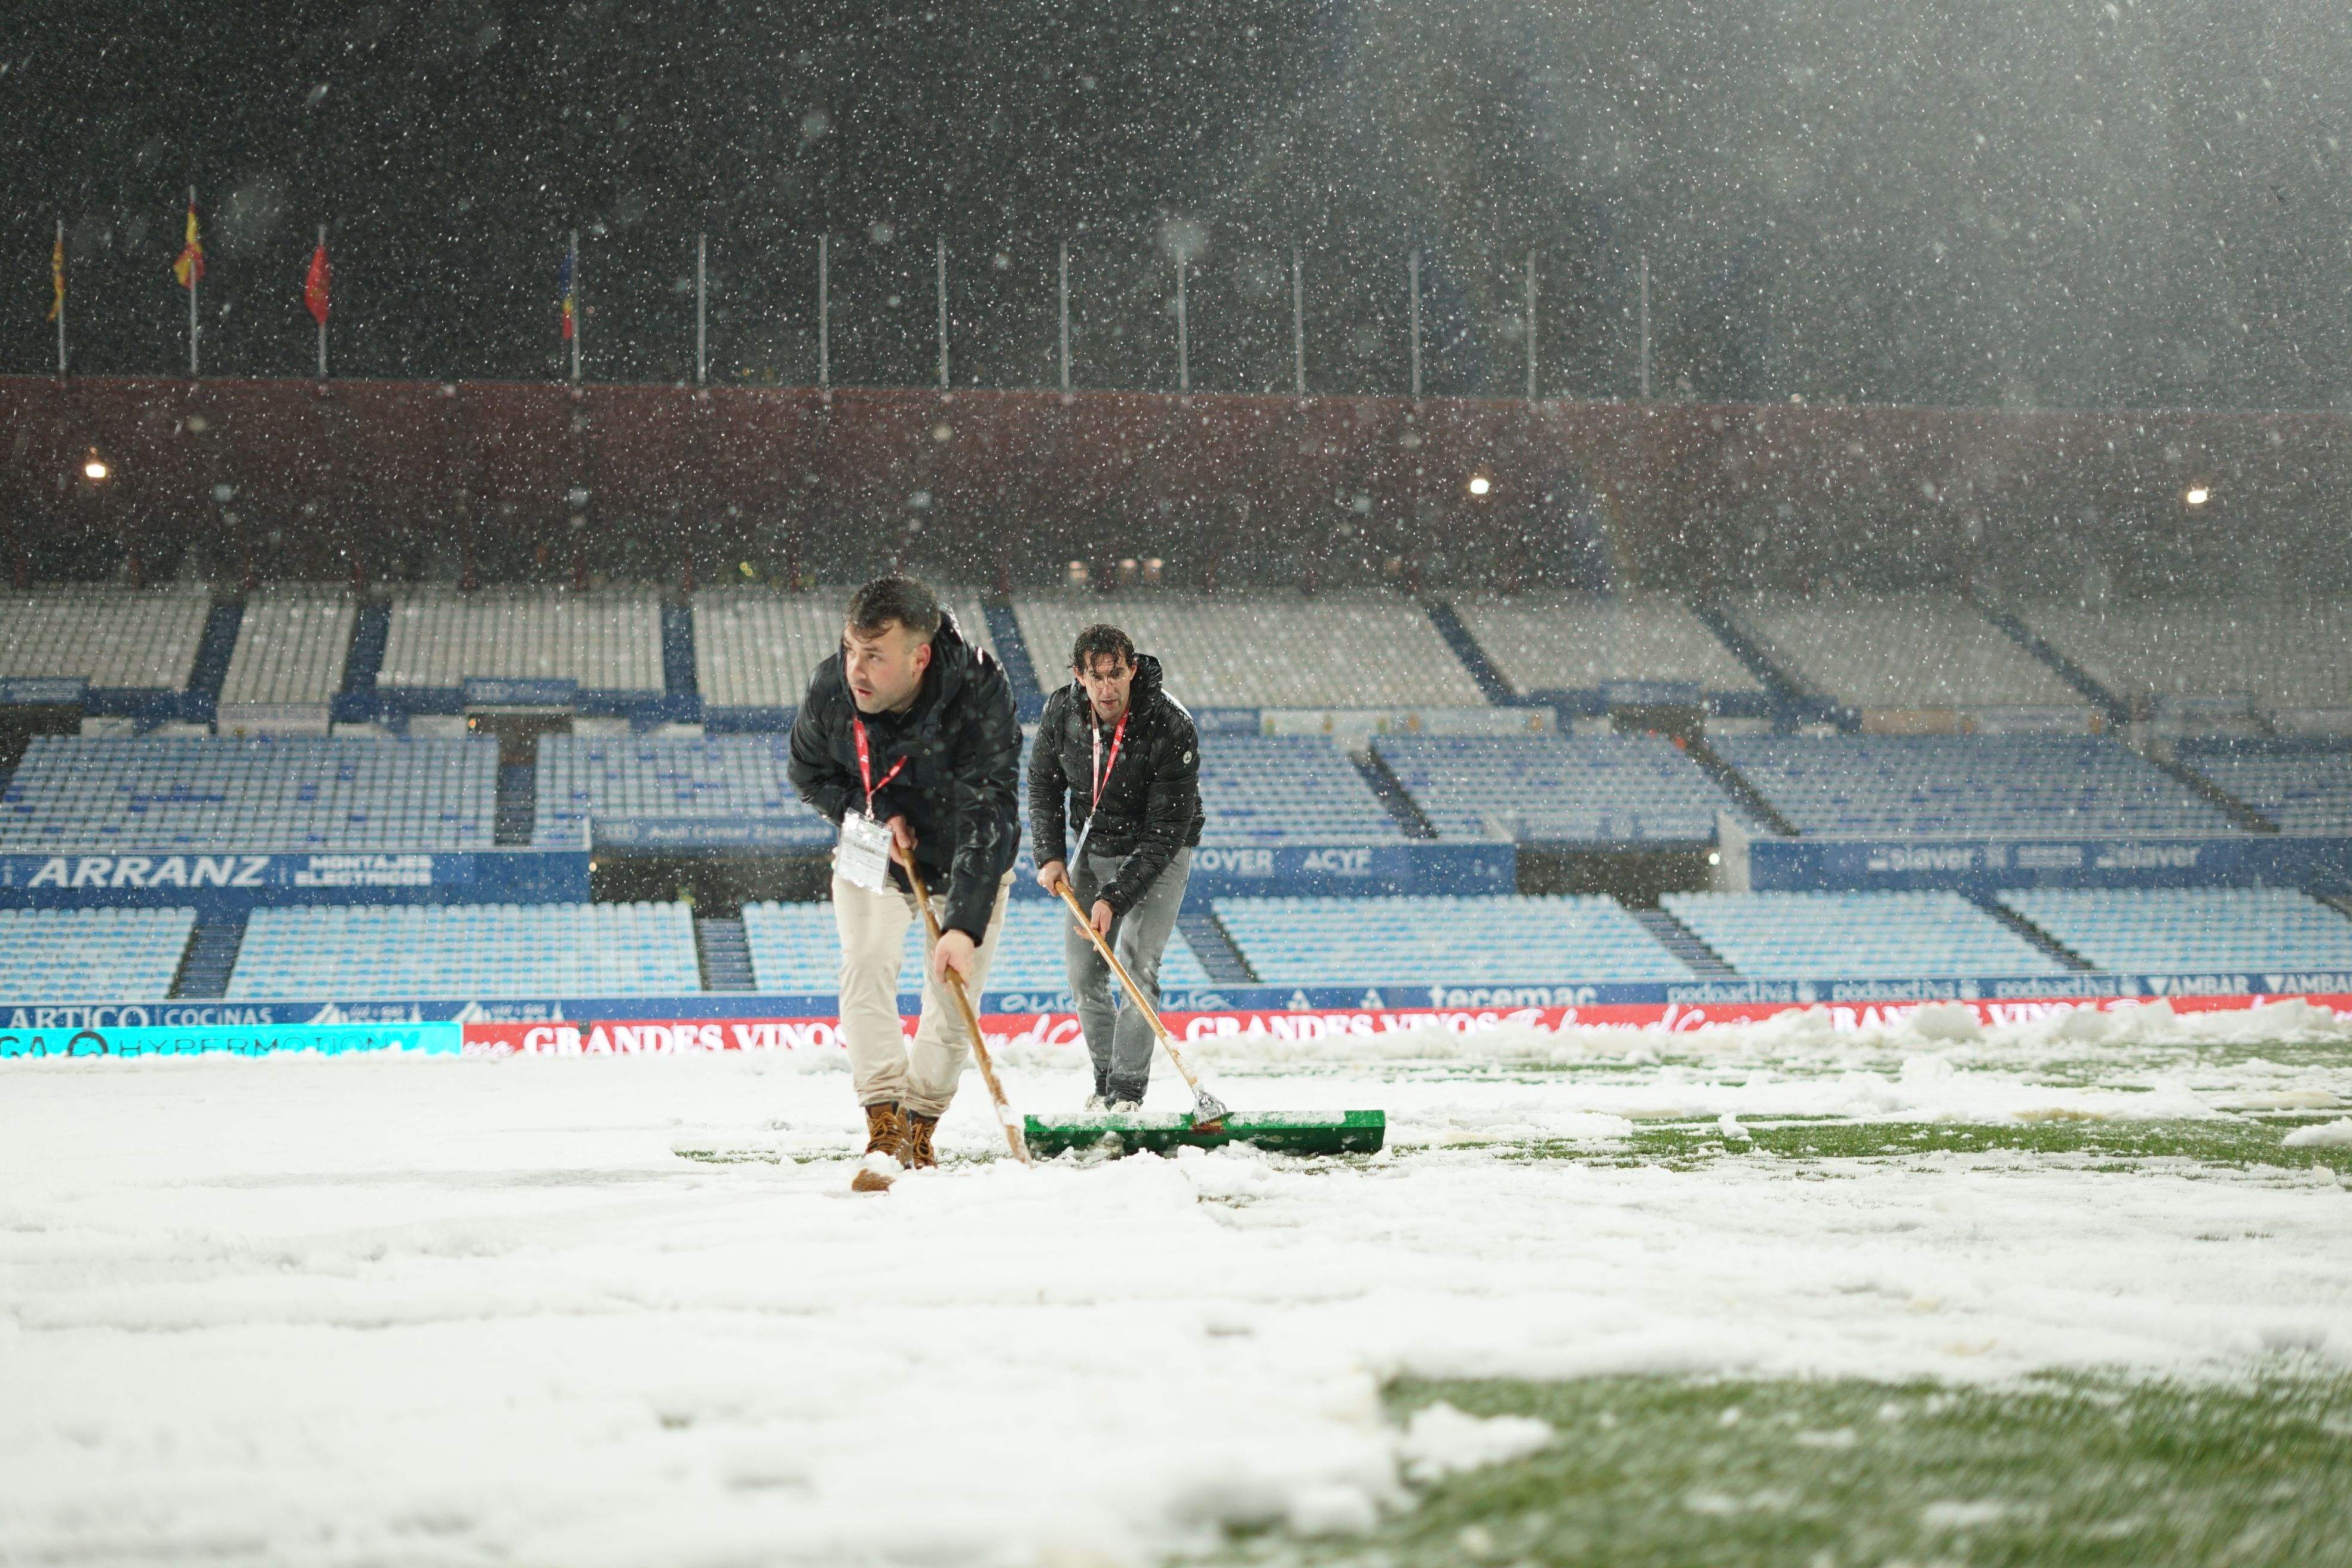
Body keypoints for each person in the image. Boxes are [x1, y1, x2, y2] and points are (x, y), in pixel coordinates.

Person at [788, 576, 1021, 1192]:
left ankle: (920, 1123)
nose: (855, 670)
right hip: (876, 845)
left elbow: (991, 809)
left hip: (968, 853)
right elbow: (809, 773)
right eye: (850, 649)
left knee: (953, 994)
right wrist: (870, 812)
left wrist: (964, 925)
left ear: (919, 657)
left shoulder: (980, 690)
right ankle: (884, 1122)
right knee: (865, 960)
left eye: (874, 656)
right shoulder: (831, 688)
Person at [1028, 623, 1203, 1110]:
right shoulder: (1061, 711)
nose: (1107, 688)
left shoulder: (1171, 724)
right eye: (1096, 676)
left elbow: (1166, 831)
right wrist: (1050, 855)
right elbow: (1043, 783)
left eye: (1116, 674)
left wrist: (1115, 897)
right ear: (1078, 676)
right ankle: (1106, 1083)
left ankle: (1127, 1092)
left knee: (1137, 965)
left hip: (1160, 850)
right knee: (1083, 973)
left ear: (1133, 670)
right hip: (1094, 843)